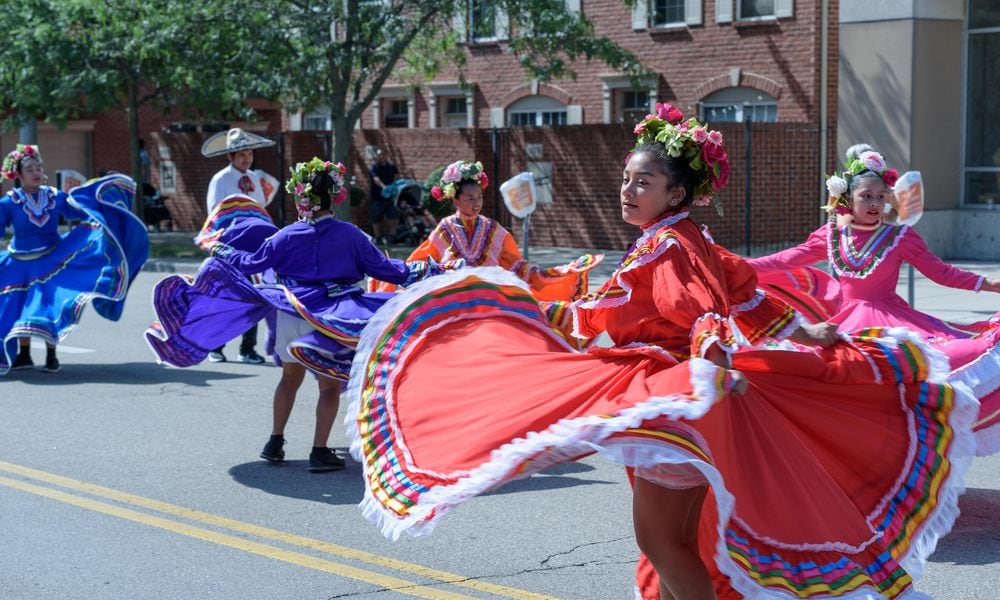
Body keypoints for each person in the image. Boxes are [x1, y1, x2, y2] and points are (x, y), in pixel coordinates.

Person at [344, 106, 975, 598]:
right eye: (625, 178)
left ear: (675, 193)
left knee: (659, 539)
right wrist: (799, 332)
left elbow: (696, 307)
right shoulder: (687, 235)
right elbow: (743, 295)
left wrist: (707, 352)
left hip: (673, 393)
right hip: (680, 394)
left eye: (642, 181)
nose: (627, 189)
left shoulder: (668, 247)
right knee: (674, 539)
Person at [146, 158, 451, 472]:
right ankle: (319, 451)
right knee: (328, 386)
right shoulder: (351, 235)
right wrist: (432, 269)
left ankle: (274, 441)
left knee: (289, 379)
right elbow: (388, 270)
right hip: (333, 318)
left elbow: (250, 263)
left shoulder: (287, 235)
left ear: (300, 197)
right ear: (335, 196)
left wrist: (219, 248)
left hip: (292, 313)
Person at [747, 148, 1000, 455]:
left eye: (881, 197)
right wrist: (738, 266)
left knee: (934, 369)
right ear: (847, 200)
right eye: (866, 196)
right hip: (847, 323)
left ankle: (899, 457)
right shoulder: (830, 237)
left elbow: (941, 273)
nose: (875, 204)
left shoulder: (901, 237)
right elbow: (785, 260)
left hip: (893, 322)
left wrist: (990, 284)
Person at [0, 145, 149, 374]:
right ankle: (24, 355)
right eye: (29, 169)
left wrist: (99, 208)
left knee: (50, 304)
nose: (36, 172)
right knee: (17, 307)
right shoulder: (9, 202)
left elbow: (80, 212)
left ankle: (51, 355)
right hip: (18, 262)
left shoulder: (55, 196)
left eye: (38, 167)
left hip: (51, 259)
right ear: (18, 175)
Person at [370, 160, 603, 304]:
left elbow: (515, 264)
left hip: (492, 297)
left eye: (479, 197)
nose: (476, 202)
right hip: (454, 299)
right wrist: (389, 274)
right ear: (456, 200)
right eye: (470, 198)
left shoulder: (493, 229)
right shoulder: (444, 229)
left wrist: (550, 274)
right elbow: (420, 262)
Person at [202, 127, 277, 365]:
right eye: (242, 155)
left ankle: (247, 348)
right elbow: (215, 213)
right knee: (226, 296)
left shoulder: (254, 179)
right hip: (230, 247)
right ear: (230, 157)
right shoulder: (221, 180)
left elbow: (261, 210)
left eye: (250, 154)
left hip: (253, 248)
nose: (247, 159)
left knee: (253, 295)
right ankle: (216, 346)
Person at [368, 148, 400, 245]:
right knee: (376, 217)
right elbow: (375, 179)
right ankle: (377, 237)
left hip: (390, 198)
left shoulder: (392, 166)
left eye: (383, 155)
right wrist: (384, 187)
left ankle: (392, 236)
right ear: (377, 156)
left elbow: (396, 176)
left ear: (387, 156)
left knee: (394, 215)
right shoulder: (374, 167)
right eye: (380, 155)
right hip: (377, 197)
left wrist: (393, 187)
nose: (382, 157)